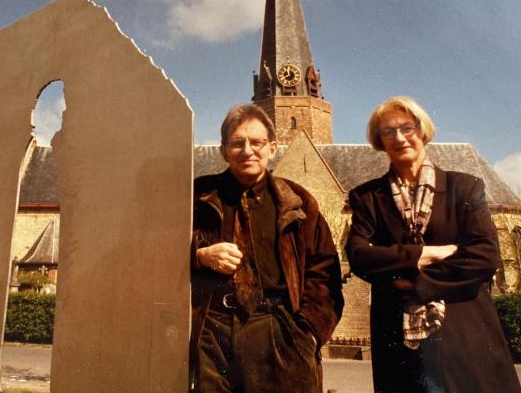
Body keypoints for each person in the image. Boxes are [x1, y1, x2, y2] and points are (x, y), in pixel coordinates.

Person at [345, 96, 520, 393]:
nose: (399, 137)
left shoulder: (464, 187)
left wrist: (419, 284)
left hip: (464, 334)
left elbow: (485, 255)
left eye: (407, 127)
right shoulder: (367, 198)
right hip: (399, 344)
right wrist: (424, 254)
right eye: (389, 131)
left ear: (422, 131)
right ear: (379, 141)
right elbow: (359, 256)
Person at [190, 104, 343, 393]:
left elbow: (324, 272)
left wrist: (308, 332)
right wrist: (197, 255)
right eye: (237, 142)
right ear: (224, 151)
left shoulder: (299, 201)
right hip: (213, 332)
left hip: (277, 330)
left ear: (272, 148)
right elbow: (155, 249)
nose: (248, 150)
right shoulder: (196, 196)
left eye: (257, 142)